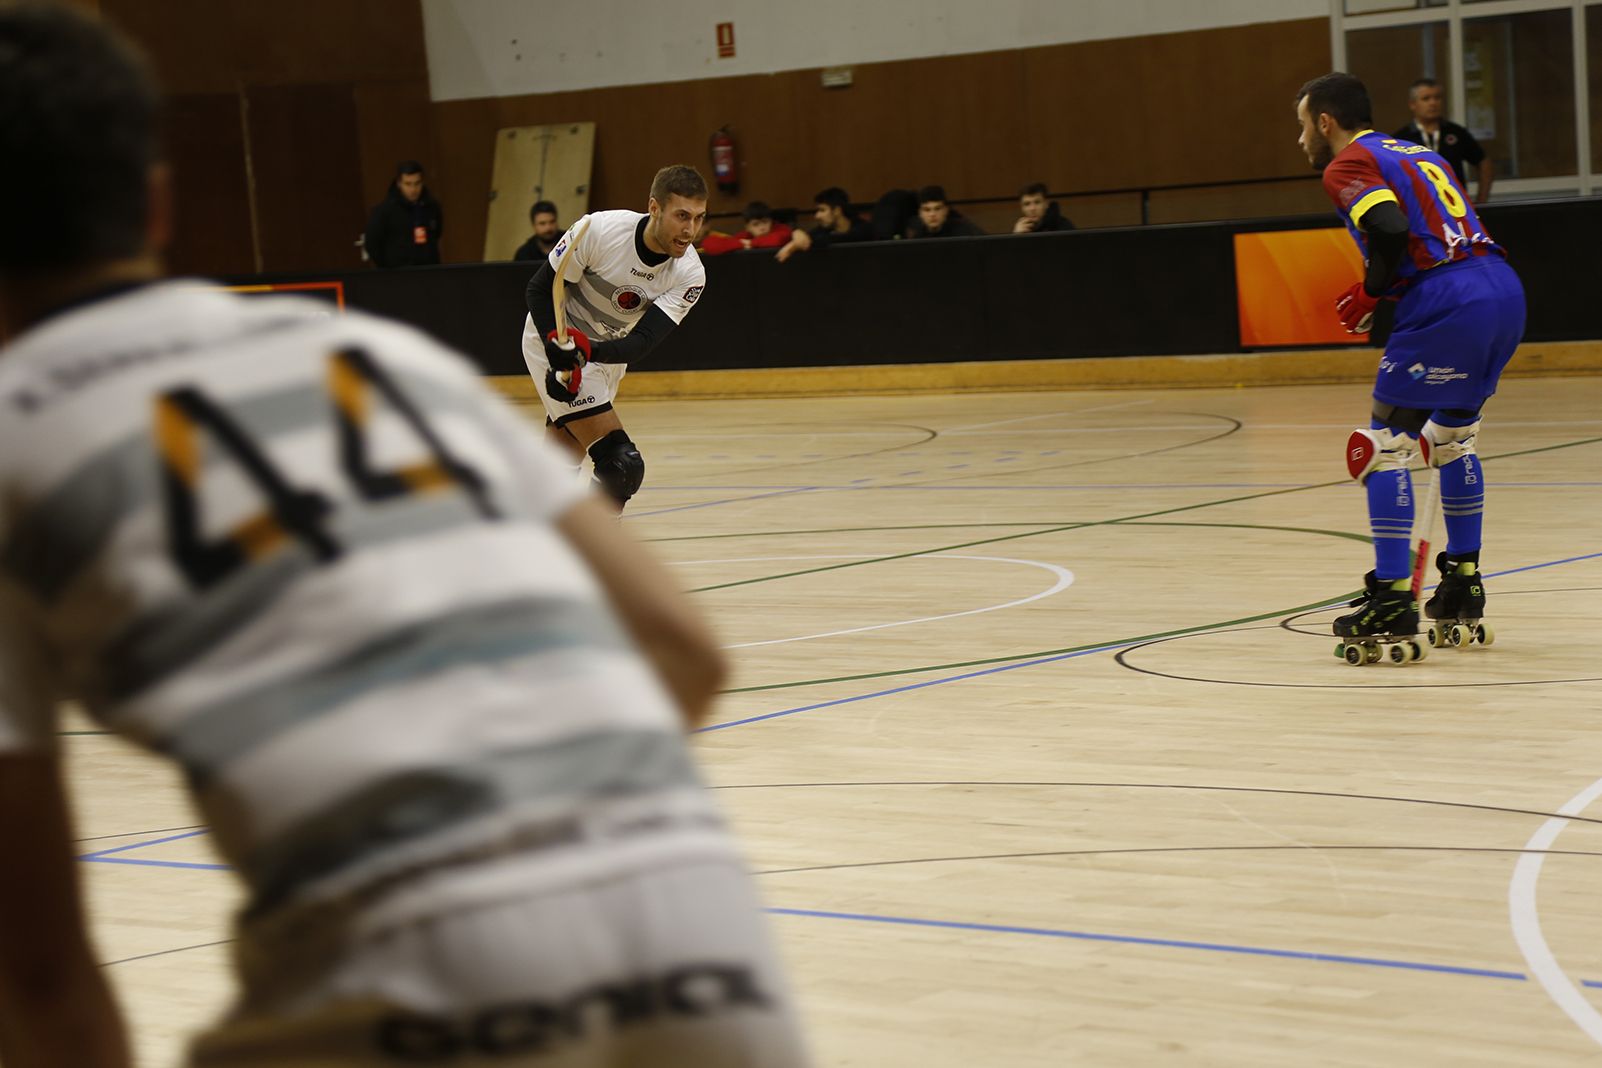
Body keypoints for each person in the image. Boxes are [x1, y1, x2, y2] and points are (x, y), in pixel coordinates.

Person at [0, 9, 809, 1067]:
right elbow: (688, 654)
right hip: (713, 970)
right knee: (606, 470)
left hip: (401, 992)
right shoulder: (372, 358)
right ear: (156, 203)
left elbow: (42, 984)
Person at [1295, 72, 1524, 651]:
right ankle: (1463, 583)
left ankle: (1393, 599)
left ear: (1326, 122)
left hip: (1448, 297)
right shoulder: (1419, 151)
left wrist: (1372, 292)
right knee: (1452, 439)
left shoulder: (1346, 163)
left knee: (1381, 446)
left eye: (1303, 126)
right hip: (1500, 287)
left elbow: (1391, 228)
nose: (1301, 140)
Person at [520, 165, 709, 512]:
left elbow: (642, 342)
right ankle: (597, 550)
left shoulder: (690, 274)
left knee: (558, 468)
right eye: (682, 216)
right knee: (620, 466)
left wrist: (588, 352)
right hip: (555, 337)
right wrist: (557, 346)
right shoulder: (599, 230)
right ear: (654, 207)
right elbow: (540, 287)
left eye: (698, 218)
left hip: (603, 357)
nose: (690, 230)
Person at [1393, 78, 1493, 204]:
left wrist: (1481, 200)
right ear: (1412, 104)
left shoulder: (1456, 133)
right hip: (1419, 209)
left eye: (1437, 98)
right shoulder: (1402, 139)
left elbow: (1483, 162)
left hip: (1456, 207)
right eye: (1426, 99)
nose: (1433, 103)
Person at [363, 160, 443, 268]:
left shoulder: (431, 206)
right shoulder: (385, 211)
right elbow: (372, 243)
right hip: (398, 273)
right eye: (408, 184)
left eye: (417, 183)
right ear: (399, 183)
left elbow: (437, 233)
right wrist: (388, 267)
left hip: (429, 269)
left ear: (422, 182)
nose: (413, 189)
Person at [773, 186, 872, 262]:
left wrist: (798, 242)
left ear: (837, 210)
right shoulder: (821, 231)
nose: (817, 216)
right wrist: (797, 233)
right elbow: (807, 238)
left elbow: (845, 238)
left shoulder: (864, 228)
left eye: (822, 210)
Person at [699, 201, 793, 255]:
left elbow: (779, 239)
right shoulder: (745, 236)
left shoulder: (781, 230)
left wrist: (751, 243)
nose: (762, 228)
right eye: (755, 224)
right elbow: (708, 244)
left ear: (771, 221)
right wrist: (743, 243)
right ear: (747, 227)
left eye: (765, 222)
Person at [905, 185, 985, 239]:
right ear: (920, 213)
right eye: (927, 210)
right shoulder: (918, 237)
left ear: (945, 210)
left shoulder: (965, 230)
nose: (932, 214)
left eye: (937, 208)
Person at [1011, 182, 1075, 233]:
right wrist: (1016, 237)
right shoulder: (1021, 228)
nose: (1032, 208)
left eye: (1037, 202)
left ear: (1046, 204)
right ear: (1022, 208)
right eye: (1027, 204)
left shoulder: (1064, 226)